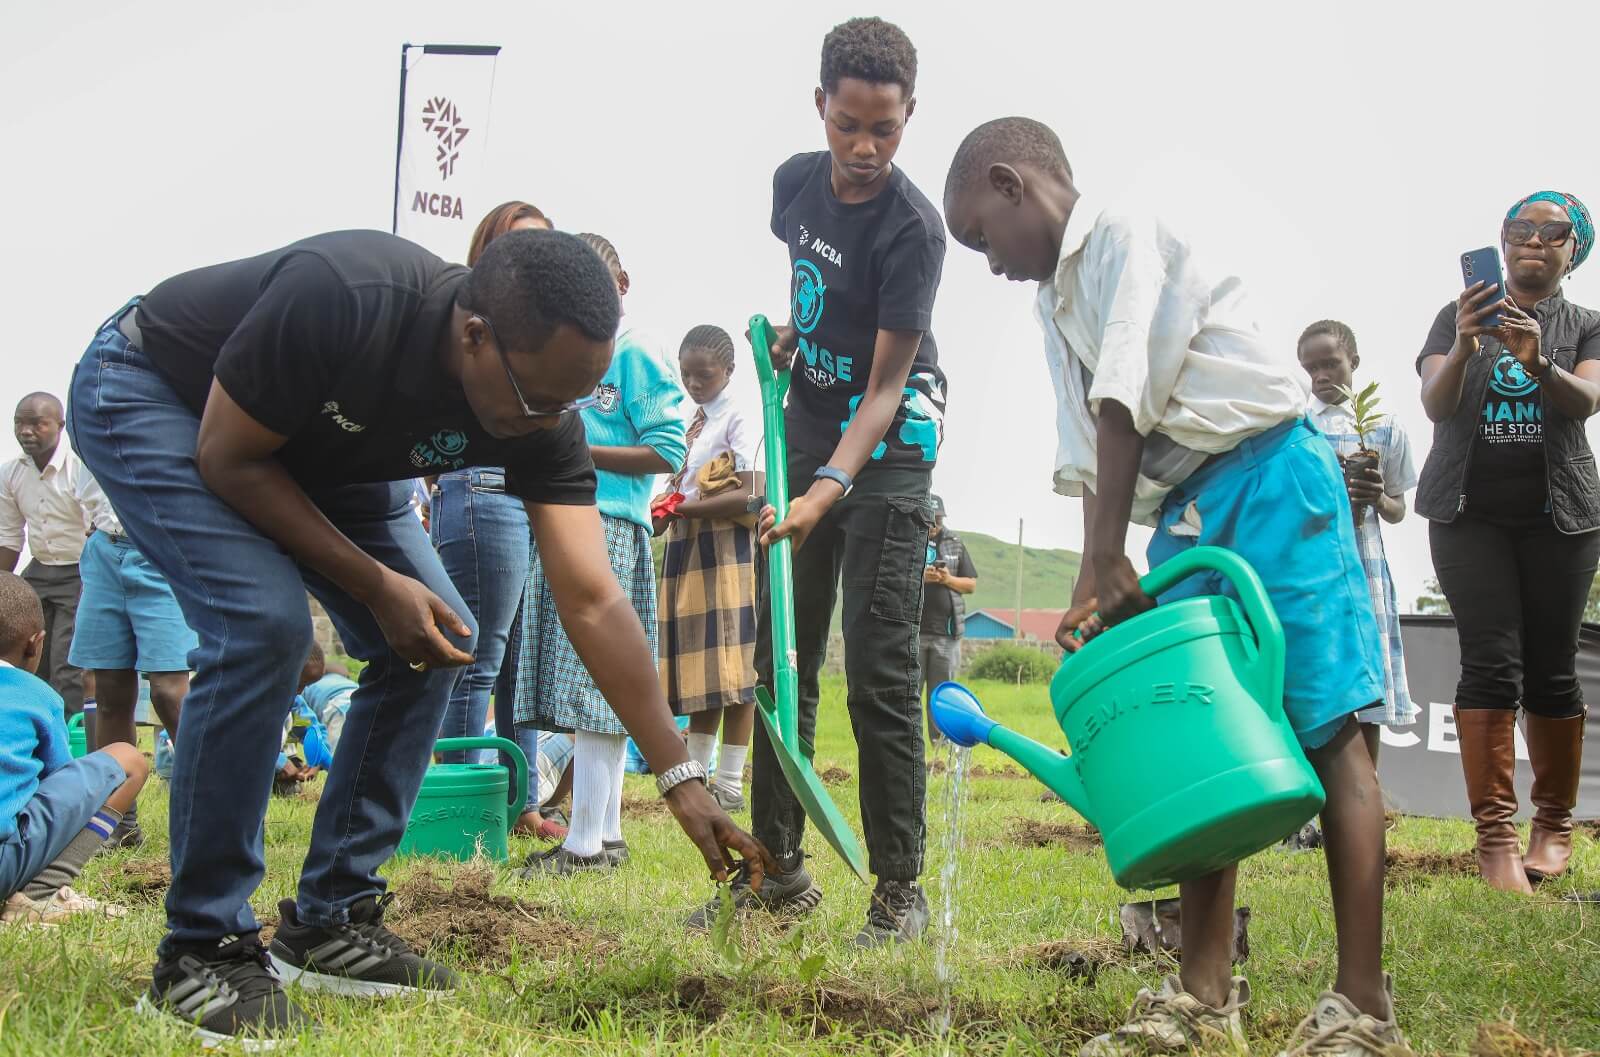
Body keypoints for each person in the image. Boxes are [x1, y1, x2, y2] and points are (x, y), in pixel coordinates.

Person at [68, 227, 769, 1046]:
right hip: (157, 391)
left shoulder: (540, 407)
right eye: (538, 399)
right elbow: (228, 457)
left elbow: (592, 595)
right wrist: (373, 584)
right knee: (264, 625)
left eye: (572, 403)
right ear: (474, 335)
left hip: (324, 454)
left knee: (441, 634)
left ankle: (328, 918)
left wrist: (680, 773)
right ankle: (202, 948)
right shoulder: (347, 298)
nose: (550, 422)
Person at [943, 116, 1401, 1056]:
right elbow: (1084, 449)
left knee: (1330, 734)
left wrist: (1115, 550)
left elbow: (1124, 395)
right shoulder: (1049, 302)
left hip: (1275, 479)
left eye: (982, 237)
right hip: (1187, 511)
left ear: (1011, 182)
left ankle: (1364, 1005)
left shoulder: (1123, 232)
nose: (989, 264)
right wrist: (1091, 571)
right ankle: (1202, 992)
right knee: (1198, 746)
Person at [689, 16, 949, 948]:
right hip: (805, 431)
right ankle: (777, 870)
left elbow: (884, 389)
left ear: (908, 116)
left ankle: (898, 889)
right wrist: (795, 340)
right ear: (821, 108)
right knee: (777, 661)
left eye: (885, 128)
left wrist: (822, 492)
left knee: (878, 670)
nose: (865, 148)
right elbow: (823, 299)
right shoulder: (792, 185)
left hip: (889, 449)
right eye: (849, 125)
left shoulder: (915, 229)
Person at [1415, 190, 1600, 895]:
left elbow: (1585, 402)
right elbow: (1435, 402)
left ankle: (1553, 826)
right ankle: (1495, 838)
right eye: (1520, 228)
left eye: (1553, 232)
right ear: (1502, 240)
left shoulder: (1585, 324)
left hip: (1562, 517)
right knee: (1490, 663)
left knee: (1553, 669)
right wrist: (1465, 343)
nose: (1534, 240)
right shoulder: (1453, 315)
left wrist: (1539, 360)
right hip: (1469, 517)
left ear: (1572, 249)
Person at [516, 232, 688, 876]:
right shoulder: (574, 351)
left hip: (610, 523)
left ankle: (585, 841)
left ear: (621, 285)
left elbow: (670, 448)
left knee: (598, 683)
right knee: (595, 685)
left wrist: (575, 455)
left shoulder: (634, 349)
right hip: (572, 520)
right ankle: (604, 832)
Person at [431, 200, 555, 837]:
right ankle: (462, 803)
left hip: (525, 496)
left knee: (519, 661)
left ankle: (521, 802)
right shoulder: (471, 322)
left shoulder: (547, 333)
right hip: (482, 492)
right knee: (476, 656)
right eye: (518, 246)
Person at [1298, 321, 1419, 762]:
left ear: (1354, 362)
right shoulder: (1298, 427)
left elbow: (1398, 509)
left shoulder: (1381, 427)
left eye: (1330, 364)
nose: (1321, 376)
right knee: (1318, 676)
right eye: (1311, 368)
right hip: (1312, 568)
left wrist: (1377, 497)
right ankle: (1315, 809)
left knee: (1369, 684)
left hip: (1366, 569)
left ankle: (1367, 791)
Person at [655, 324, 763, 812]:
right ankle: (698, 781)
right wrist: (667, 508)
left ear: (729, 372)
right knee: (702, 669)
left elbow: (750, 492)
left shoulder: (740, 417)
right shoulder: (689, 421)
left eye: (705, 375)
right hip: (689, 548)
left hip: (725, 549)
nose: (695, 383)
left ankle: (731, 783)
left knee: (735, 669)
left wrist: (682, 508)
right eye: (686, 375)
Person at [1, 571, 149, 924]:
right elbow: (62, 781)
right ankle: (39, 894)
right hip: (5, 867)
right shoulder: (36, 695)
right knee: (128, 760)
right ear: (35, 644)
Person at [67, 471, 196, 847]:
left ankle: (209, 821)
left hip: (164, 548)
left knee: (169, 693)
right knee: (108, 692)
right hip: (104, 548)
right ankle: (119, 824)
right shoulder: (89, 417)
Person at [1, 393, 92, 716]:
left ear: (59, 426)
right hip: (39, 570)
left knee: (65, 663)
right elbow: (10, 537)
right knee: (21, 650)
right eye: (19, 423)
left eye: (37, 424)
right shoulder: (11, 473)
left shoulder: (79, 468)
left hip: (81, 570)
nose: (26, 431)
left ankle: (65, 736)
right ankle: (24, 721)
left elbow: (94, 527)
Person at [920, 495, 976, 745]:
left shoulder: (955, 542)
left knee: (941, 694)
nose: (935, 524)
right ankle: (911, 744)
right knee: (909, 692)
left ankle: (939, 746)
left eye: (938, 519)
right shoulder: (911, 541)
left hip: (947, 634)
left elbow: (970, 584)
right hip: (915, 632)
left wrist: (946, 580)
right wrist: (922, 578)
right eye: (931, 519)